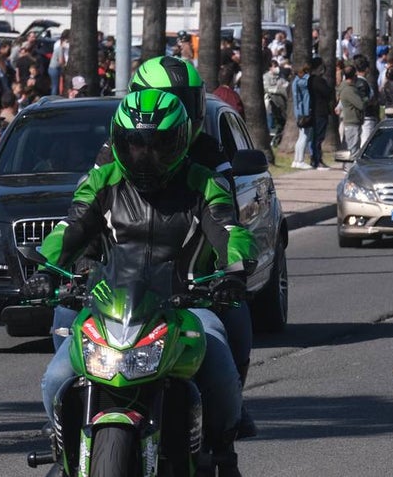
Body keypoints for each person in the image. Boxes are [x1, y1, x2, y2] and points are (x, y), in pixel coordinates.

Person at [27, 90, 256, 475]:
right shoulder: (102, 180)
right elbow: (72, 226)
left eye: (158, 146)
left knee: (217, 355)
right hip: (110, 303)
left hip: (186, 302)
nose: (144, 157)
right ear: (118, 142)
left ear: (182, 141)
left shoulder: (204, 183)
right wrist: (45, 271)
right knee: (57, 377)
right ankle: (65, 452)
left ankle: (222, 447)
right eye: (134, 146)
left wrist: (233, 272)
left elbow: (229, 229)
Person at [336, 65, 365, 157]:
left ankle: (347, 167)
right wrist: (367, 99)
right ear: (354, 75)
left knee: (350, 147)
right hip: (352, 120)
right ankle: (349, 168)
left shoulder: (346, 87)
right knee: (353, 149)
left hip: (351, 120)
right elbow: (360, 105)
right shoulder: (349, 90)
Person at [291, 63, 314, 169]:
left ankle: (296, 160)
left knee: (301, 136)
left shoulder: (296, 81)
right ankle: (300, 160)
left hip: (299, 111)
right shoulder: (305, 80)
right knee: (305, 136)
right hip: (305, 111)